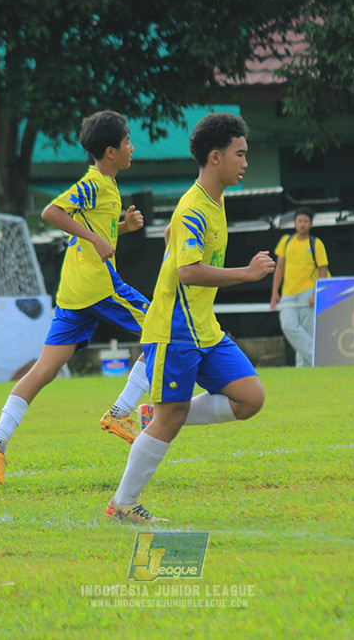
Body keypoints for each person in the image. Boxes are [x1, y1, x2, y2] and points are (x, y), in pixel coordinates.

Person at [105, 112, 276, 524]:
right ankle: (122, 504)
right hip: (175, 331)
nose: (245, 162)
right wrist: (247, 274)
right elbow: (188, 271)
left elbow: (174, 241)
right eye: (240, 154)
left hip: (205, 329)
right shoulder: (193, 208)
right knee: (173, 417)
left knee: (250, 398)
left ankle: (156, 413)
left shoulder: (213, 200)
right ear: (215, 157)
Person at [0, 111, 153, 484]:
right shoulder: (94, 183)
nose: (132, 148)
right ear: (110, 151)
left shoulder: (107, 184)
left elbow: (92, 230)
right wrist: (96, 238)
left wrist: (122, 228)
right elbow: (51, 212)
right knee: (166, 327)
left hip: (74, 291)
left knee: (44, 370)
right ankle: (121, 411)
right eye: (127, 142)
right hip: (97, 285)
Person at [270, 207, 328, 366]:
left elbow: (323, 269)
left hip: (308, 290)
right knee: (288, 325)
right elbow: (279, 267)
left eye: (306, 221)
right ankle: (319, 358)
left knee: (308, 330)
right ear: (295, 223)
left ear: (311, 224)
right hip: (288, 292)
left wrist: (316, 293)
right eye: (300, 221)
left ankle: (304, 369)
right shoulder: (286, 241)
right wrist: (275, 292)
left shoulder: (316, 243)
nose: (302, 224)